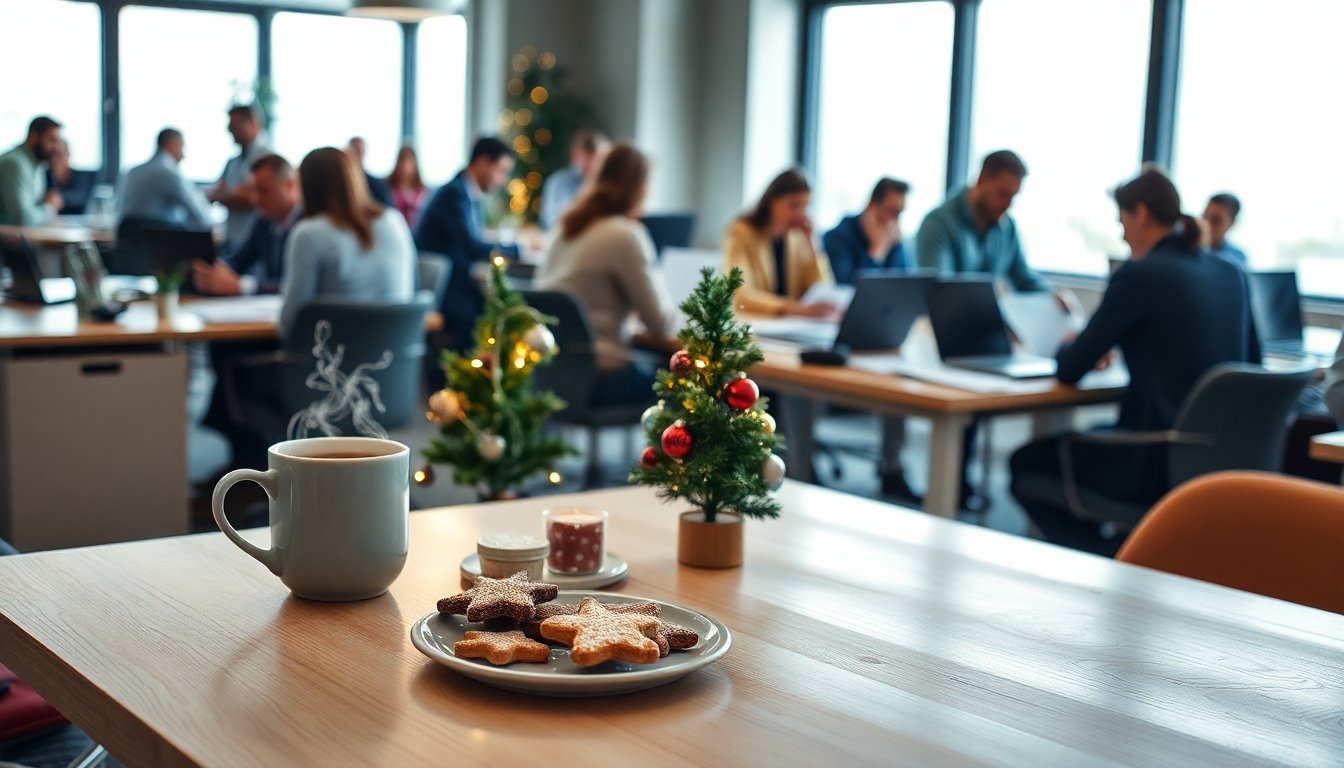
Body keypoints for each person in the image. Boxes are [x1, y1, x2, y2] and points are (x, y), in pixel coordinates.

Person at [1009, 167, 1261, 556]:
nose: (1122, 234)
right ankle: (1135, 553)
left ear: (1140, 213)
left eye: (1121, 221)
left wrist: (1070, 346)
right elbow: (1253, 363)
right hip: (1224, 461)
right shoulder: (1231, 271)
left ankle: (1119, 559)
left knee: (1026, 464)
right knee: (1091, 435)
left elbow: (1070, 369)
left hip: (1155, 462)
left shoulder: (1140, 275)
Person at [537, 144, 676, 403]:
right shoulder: (625, 234)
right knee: (688, 382)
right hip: (599, 377)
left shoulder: (563, 229)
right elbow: (660, 325)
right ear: (639, 188)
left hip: (551, 374)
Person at [279, 147, 415, 337]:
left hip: (333, 353)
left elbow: (290, 325)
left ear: (307, 187)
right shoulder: (395, 221)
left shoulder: (309, 234)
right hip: (396, 351)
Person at [414, 136, 521, 351]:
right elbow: (471, 245)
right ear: (482, 162)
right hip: (439, 287)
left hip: (454, 279)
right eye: (501, 170)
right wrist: (518, 248)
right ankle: (455, 368)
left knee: (494, 306)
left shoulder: (467, 193)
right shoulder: (453, 195)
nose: (502, 180)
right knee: (486, 315)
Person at [916, 150, 1047, 292]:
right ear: (981, 180)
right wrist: (991, 290)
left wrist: (1052, 295)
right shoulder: (938, 223)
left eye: (1013, 196)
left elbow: (1024, 278)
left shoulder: (1007, 226)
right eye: (1003, 194)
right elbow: (940, 291)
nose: (1008, 205)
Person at [722, 169, 835, 317]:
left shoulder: (797, 238)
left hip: (792, 324)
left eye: (805, 206)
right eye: (794, 205)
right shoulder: (741, 233)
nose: (801, 214)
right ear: (771, 202)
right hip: (757, 323)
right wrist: (794, 308)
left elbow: (823, 291)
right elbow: (739, 293)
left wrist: (813, 244)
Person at [193, 153, 300, 296]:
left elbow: (295, 285)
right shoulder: (264, 221)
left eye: (263, 191)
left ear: (289, 186)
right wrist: (213, 269)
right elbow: (238, 261)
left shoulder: (306, 226)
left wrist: (242, 286)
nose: (255, 199)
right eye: (253, 190)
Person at [116, 128, 212, 229]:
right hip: (155, 235)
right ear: (171, 144)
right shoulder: (167, 172)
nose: (183, 155)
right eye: (181, 147)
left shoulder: (131, 172)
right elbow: (199, 215)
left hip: (125, 234)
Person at [822, 177, 911, 284]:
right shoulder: (837, 237)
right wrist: (877, 251)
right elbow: (847, 287)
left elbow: (903, 284)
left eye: (899, 213)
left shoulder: (892, 238)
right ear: (872, 206)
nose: (895, 220)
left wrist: (896, 248)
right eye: (891, 211)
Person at [207, 104, 270, 248]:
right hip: (231, 238)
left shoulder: (266, 157)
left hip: (252, 242)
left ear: (253, 124)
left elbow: (250, 198)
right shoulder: (232, 162)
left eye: (235, 125)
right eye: (230, 126)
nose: (230, 130)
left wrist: (225, 194)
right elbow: (214, 193)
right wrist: (233, 193)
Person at [539, 129, 610, 231]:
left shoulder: (606, 185)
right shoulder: (558, 183)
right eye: (590, 158)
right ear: (575, 155)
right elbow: (554, 222)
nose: (595, 165)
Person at [0, 115, 63, 226]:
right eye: (51, 140)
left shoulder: (38, 165)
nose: (57, 148)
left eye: (58, 142)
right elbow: (22, 220)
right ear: (34, 136)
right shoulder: (15, 164)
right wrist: (50, 208)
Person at [45, 138, 94, 215]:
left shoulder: (79, 176)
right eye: (54, 155)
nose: (58, 158)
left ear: (68, 154)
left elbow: (82, 198)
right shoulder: (45, 176)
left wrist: (60, 198)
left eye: (61, 153)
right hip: (51, 219)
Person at [347, 136, 394, 207]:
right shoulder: (340, 181)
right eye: (354, 150)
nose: (357, 154)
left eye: (360, 151)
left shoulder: (377, 184)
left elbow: (388, 207)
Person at [388, 145, 429, 228]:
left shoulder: (423, 192)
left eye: (409, 162)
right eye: (402, 161)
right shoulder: (387, 190)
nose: (405, 166)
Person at [1203, 192, 1247, 268]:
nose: (1207, 224)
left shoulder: (1236, 258)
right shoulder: (1189, 248)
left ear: (1232, 223)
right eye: (1204, 217)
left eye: (1216, 220)